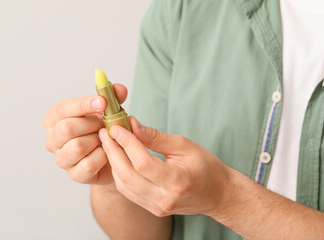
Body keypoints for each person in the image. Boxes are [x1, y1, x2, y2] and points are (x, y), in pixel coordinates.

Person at [43, 0, 324, 239]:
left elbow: (222, 197)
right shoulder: (181, 9)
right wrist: (116, 182)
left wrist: (227, 197)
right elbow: (147, 233)